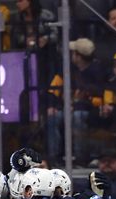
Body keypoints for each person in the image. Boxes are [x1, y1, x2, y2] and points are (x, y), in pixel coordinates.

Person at [45, 37, 106, 165]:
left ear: (78, 56)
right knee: (54, 116)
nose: (71, 55)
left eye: (73, 53)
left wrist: (78, 104)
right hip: (67, 108)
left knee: (78, 116)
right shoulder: (67, 70)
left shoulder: (98, 71)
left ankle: (80, 158)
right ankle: (54, 158)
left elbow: (99, 96)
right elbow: (53, 89)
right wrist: (52, 105)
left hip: (90, 111)